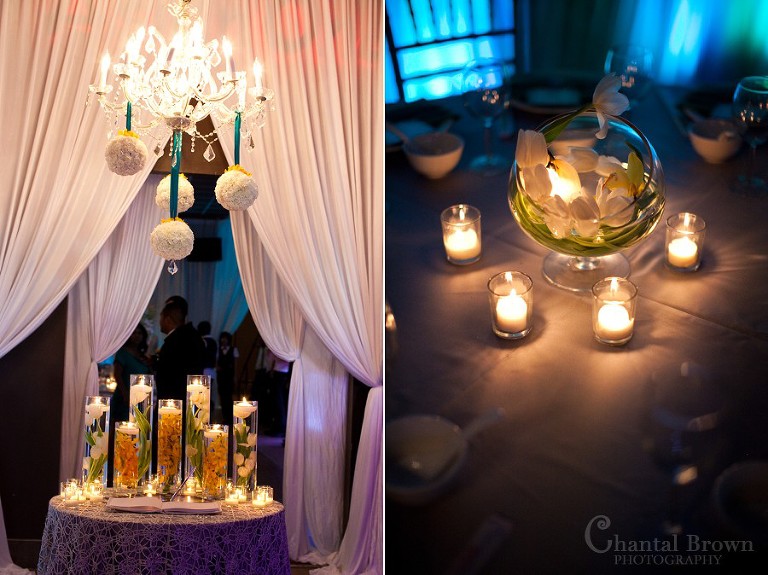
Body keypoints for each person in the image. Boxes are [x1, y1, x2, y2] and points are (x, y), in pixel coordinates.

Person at [109, 323, 152, 485]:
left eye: (140, 333)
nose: (137, 336)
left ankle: (134, 467)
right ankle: (117, 467)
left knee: (138, 433)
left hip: (141, 400)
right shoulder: (122, 353)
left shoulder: (143, 356)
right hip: (124, 397)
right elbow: (117, 375)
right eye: (134, 332)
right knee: (121, 433)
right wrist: (125, 393)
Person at [154, 298, 205, 400]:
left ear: (167, 320)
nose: (159, 321)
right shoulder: (192, 336)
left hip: (175, 401)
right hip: (191, 398)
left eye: (161, 317)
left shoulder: (176, 341)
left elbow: (171, 372)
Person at [216, 331, 239, 428]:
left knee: (229, 396)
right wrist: (217, 367)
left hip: (229, 376)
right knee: (222, 396)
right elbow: (216, 361)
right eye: (222, 338)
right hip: (220, 376)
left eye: (225, 338)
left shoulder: (234, 349)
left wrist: (235, 376)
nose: (223, 340)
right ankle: (225, 417)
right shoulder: (218, 350)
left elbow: (236, 364)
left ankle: (231, 417)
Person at [198, 320, 219, 414]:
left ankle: (205, 413)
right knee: (208, 393)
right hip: (212, 371)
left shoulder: (203, 341)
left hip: (204, 370)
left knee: (203, 395)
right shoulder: (214, 341)